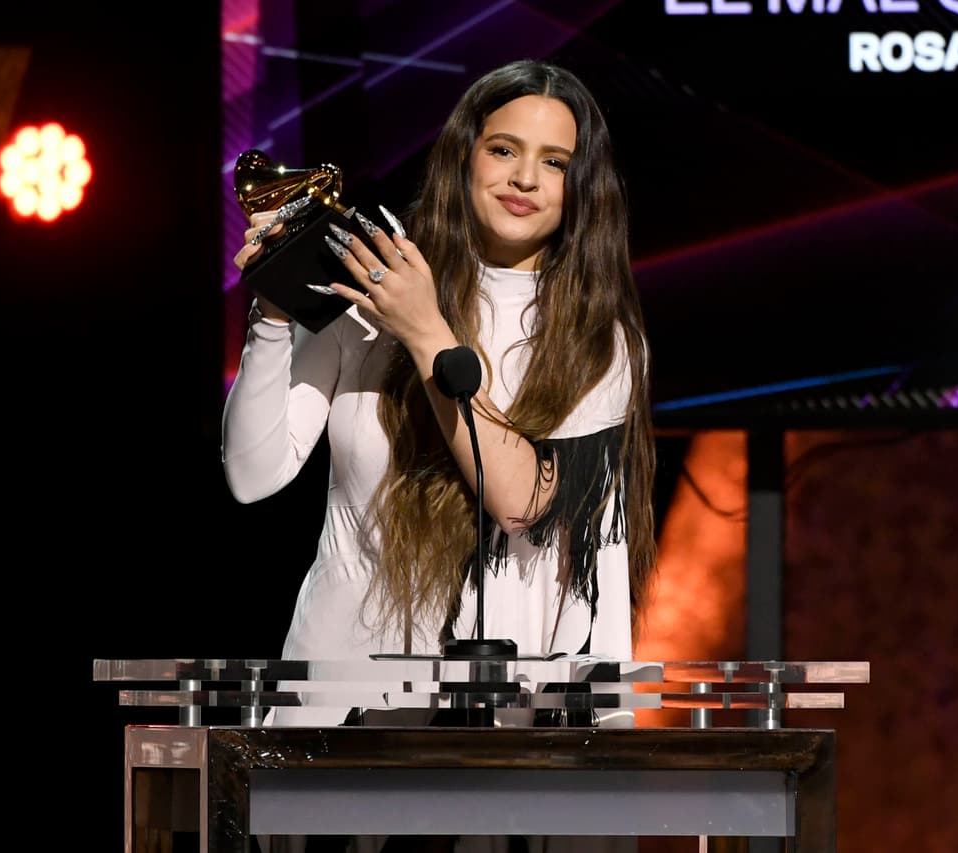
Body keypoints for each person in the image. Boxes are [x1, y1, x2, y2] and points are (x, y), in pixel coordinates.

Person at [222, 57, 654, 737]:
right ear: (465, 156)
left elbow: (522, 501)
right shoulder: (372, 281)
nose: (524, 179)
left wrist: (425, 330)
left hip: (501, 717)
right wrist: (274, 313)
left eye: (554, 163)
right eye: (504, 149)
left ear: (582, 187)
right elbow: (253, 473)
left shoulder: (598, 336)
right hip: (337, 698)